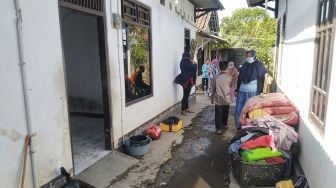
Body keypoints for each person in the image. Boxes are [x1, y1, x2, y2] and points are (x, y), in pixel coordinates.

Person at [235, 50, 267, 131]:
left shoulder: (259, 66)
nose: (248, 58)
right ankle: (239, 126)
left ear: (254, 56)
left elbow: (262, 79)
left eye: (250, 56)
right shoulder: (244, 66)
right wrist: (237, 89)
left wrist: (261, 91)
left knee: (252, 109)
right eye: (247, 56)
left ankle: (250, 127)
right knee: (239, 109)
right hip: (242, 91)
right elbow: (239, 79)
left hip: (253, 92)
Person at [211, 61, 232, 135]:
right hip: (227, 97)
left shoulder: (216, 77)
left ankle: (219, 129)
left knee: (218, 113)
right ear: (227, 67)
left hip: (218, 98)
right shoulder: (230, 77)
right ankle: (224, 125)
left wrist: (211, 97)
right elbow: (231, 88)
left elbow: (213, 88)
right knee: (226, 111)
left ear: (219, 67)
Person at [174, 51, 197, 116]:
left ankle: (186, 108)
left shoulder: (182, 62)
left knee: (186, 95)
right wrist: (195, 64)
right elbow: (193, 70)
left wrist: (192, 63)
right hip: (187, 82)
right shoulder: (188, 62)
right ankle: (183, 110)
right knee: (185, 95)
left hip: (184, 80)